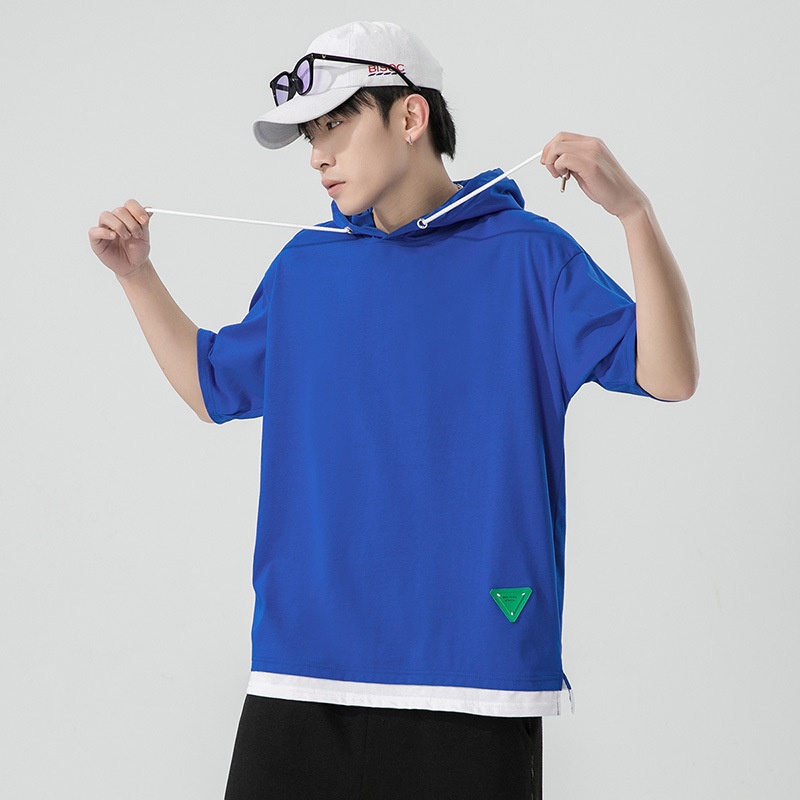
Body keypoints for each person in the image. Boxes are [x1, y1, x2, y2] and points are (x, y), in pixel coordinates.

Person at [88, 20, 698, 800]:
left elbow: (670, 375)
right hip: (300, 678)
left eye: (335, 125)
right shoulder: (307, 267)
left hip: (474, 685)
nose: (317, 155)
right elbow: (214, 388)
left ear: (410, 116)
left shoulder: (529, 256)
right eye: (311, 135)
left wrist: (634, 213)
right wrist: (136, 276)